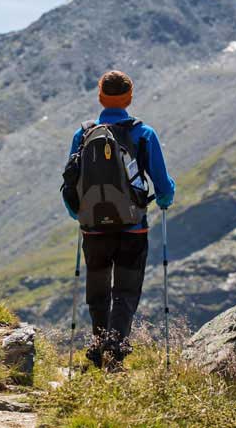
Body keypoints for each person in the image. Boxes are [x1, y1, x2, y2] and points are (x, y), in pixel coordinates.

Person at [61, 70, 175, 369]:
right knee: (125, 291)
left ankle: (100, 347)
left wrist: (78, 213)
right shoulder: (143, 134)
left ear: (100, 96)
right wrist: (164, 199)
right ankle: (115, 349)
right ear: (130, 97)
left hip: (93, 229)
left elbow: (70, 183)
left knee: (97, 289)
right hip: (132, 227)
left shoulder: (83, 133)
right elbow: (163, 185)